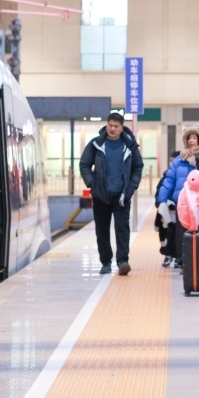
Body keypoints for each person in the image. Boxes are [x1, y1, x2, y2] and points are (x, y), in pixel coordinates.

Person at [80, 113, 144, 276]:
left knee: (122, 229)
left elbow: (138, 166)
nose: (112, 129)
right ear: (106, 125)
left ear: (122, 128)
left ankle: (122, 261)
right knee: (102, 230)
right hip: (101, 195)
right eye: (110, 125)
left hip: (122, 196)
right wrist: (92, 184)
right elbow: (84, 164)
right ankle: (106, 262)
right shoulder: (96, 144)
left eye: (116, 126)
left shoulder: (130, 145)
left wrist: (131, 187)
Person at [157, 125, 199, 270]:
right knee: (182, 234)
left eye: (195, 138)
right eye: (189, 138)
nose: (191, 141)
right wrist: (161, 200)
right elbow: (169, 180)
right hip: (182, 205)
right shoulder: (179, 160)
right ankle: (183, 262)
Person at [154, 151, 180, 267]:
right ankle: (167, 255)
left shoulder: (182, 177)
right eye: (170, 161)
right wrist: (160, 204)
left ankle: (178, 257)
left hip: (179, 211)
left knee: (177, 235)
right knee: (165, 233)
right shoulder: (165, 177)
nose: (171, 164)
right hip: (166, 213)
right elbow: (159, 193)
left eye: (173, 161)